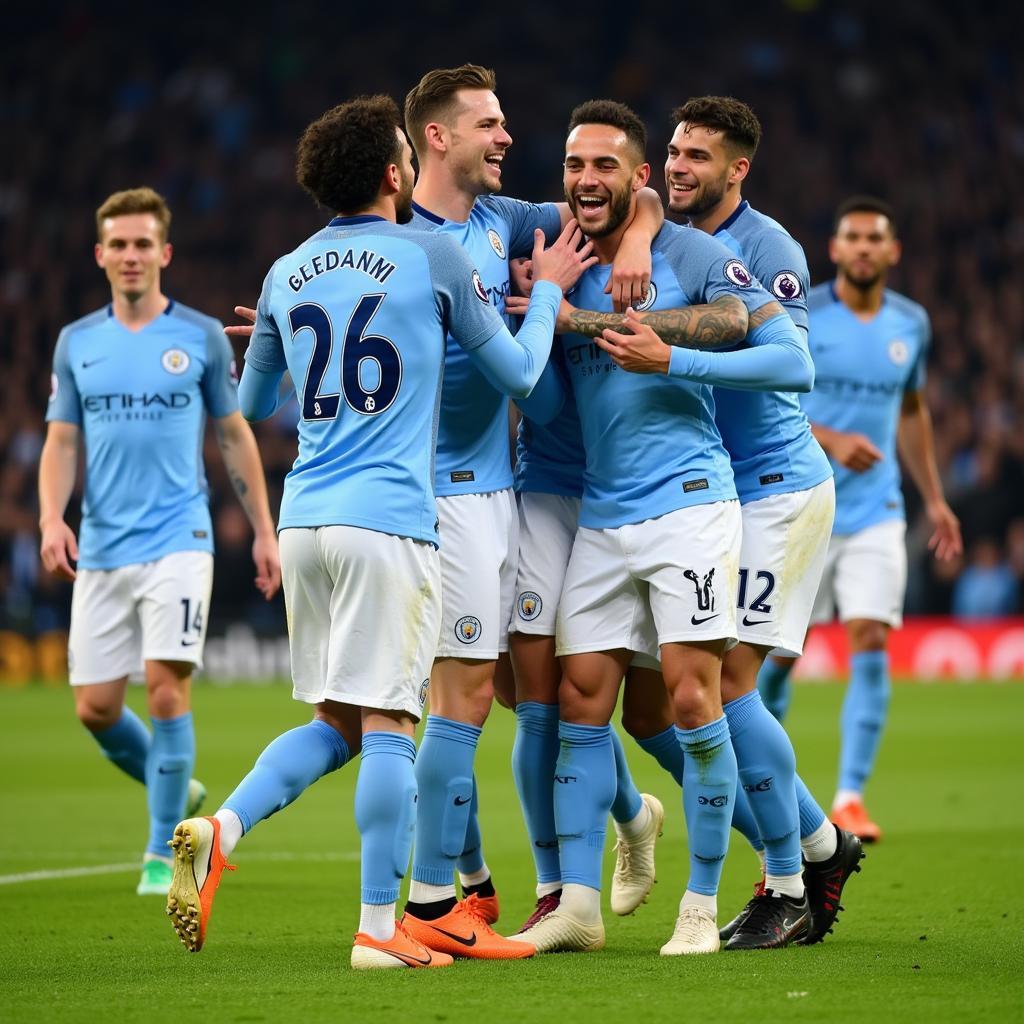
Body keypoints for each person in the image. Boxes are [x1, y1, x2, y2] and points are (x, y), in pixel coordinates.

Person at [165, 94, 594, 970]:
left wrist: (272, 354)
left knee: (338, 717)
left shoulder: (287, 272)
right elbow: (516, 370)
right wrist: (545, 296)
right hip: (389, 518)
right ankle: (375, 927)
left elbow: (248, 410)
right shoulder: (430, 251)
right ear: (397, 172)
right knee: (398, 720)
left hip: (307, 516)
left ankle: (223, 825)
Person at [504, 99, 801, 957]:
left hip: (690, 507)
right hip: (602, 510)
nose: (586, 180)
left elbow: (788, 361)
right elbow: (555, 397)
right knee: (577, 699)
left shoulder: (697, 253)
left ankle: (702, 907)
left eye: (605, 166)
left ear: (640, 179)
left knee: (689, 696)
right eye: (573, 166)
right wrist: (535, 324)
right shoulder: (555, 260)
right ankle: (578, 907)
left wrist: (676, 357)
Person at [397, 64, 661, 956]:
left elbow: (618, 203)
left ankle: (546, 890)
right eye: (491, 123)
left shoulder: (504, 220)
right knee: (505, 690)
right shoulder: (397, 242)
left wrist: (638, 242)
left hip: (516, 491)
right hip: (455, 494)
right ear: (438, 135)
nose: (509, 137)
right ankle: (622, 813)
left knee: (525, 691)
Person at [589, 97, 864, 949]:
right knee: (645, 710)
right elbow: (629, 202)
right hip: (698, 497)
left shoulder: (765, 246)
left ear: (737, 169)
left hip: (774, 486)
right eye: (671, 151)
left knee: (726, 686)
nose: (676, 167)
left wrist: (675, 355)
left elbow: (792, 365)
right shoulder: (657, 232)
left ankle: (790, 876)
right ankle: (820, 842)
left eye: (697, 157)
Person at [38, 187, 280, 897]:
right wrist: (54, 517)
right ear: (100, 255)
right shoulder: (77, 342)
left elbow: (234, 434)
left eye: (144, 243)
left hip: (181, 536)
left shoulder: (199, 336)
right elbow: (60, 440)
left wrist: (264, 530)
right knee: (95, 707)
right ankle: (174, 782)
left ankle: (158, 852)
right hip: (105, 546)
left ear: (164, 253)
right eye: (119, 244)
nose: (131, 255)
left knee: (169, 689)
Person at [756, 196, 962, 842]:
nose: (865, 247)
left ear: (892, 251)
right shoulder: (804, 313)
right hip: (803, 505)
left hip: (878, 512)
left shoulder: (912, 324)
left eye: (877, 238)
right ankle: (769, 788)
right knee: (779, 658)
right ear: (836, 250)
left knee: (871, 638)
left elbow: (911, 410)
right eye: (854, 238)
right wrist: (830, 437)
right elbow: (769, 392)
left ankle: (848, 798)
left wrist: (934, 498)